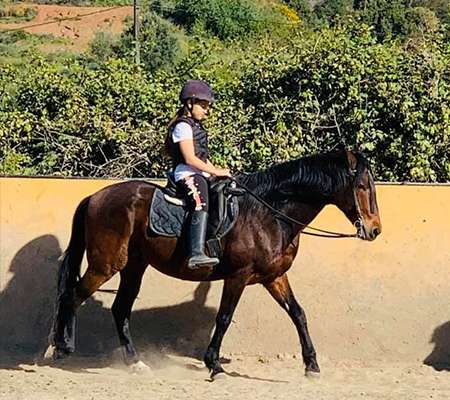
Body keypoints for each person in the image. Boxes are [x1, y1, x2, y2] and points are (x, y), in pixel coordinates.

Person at [165, 79, 231, 269]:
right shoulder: (183, 127)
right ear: (189, 103)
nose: (207, 110)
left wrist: (219, 173)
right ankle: (196, 253)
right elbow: (190, 159)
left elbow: (202, 158)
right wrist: (216, 171)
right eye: (203, 106)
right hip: (186, 174)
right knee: (200, 201)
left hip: (199, 173)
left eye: (208, 106)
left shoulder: (197, 127)